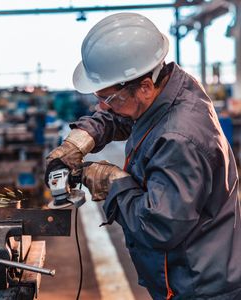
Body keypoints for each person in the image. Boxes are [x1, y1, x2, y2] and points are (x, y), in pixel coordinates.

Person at [45, 13, 241, 300]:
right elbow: (122, 115)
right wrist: (81, 139)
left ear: (145, 86)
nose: (102, 106)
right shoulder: (170, 87)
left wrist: (112, 181)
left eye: (108, 98)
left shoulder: (180, 139)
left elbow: (157, 226)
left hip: (199, 287)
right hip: (187, 275)